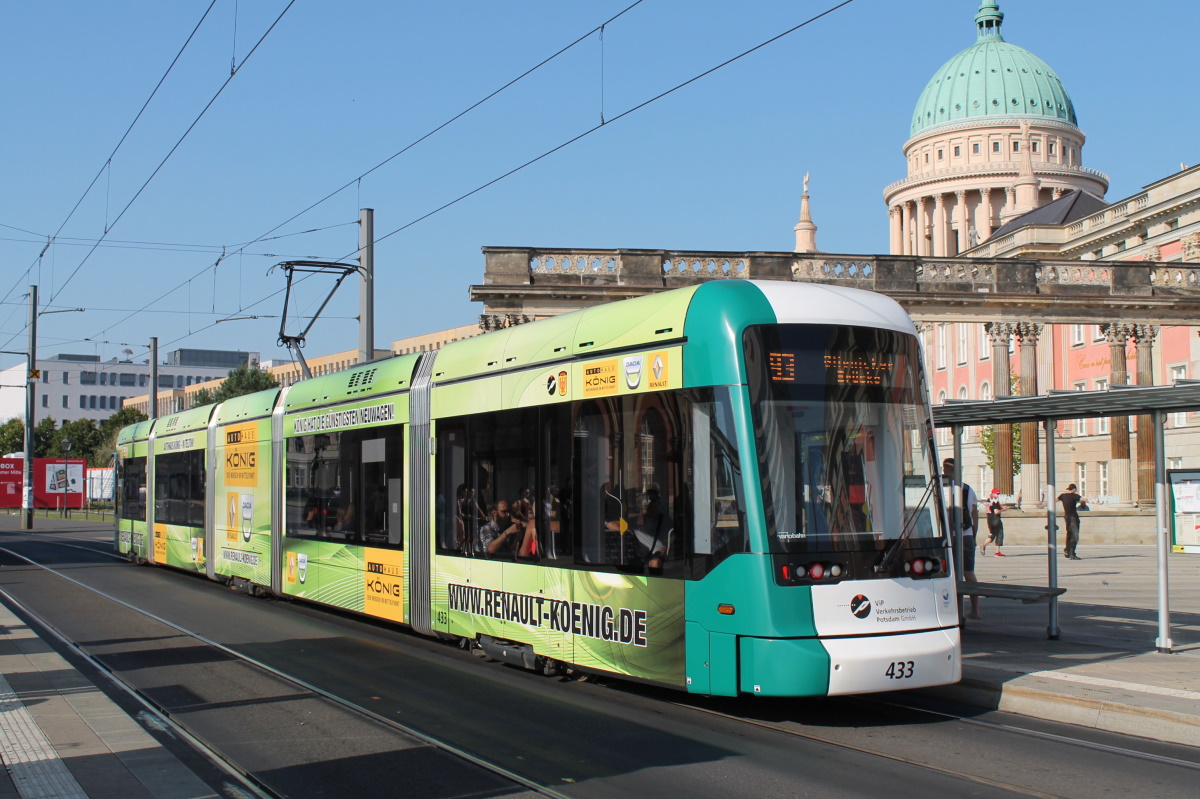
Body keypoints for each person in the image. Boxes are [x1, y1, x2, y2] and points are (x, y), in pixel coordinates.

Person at [942, 458, 981, 619]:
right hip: (966, 534)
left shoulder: (942, 488)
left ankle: (954, 610)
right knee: (969, 573)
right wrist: (973, 534)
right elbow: (974, 513)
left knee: (950, 573)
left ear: (945, 470)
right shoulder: (968, 489)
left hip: (948, 535)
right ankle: (975, 610)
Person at [632, 486, 668, 570]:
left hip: (658, 553)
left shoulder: (665, 521)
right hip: (643, 555)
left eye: (653, 501)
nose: (649, 505)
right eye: (647, 501)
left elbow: (669, 541)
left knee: (655, 564)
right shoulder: (636, 521)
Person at [1058, 483, 1085, 560]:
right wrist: (1097, 502)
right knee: (1075, 536)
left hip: (1067, 517)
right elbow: (1085, 500)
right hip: (1073, 517)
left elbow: (1054, 501)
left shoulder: (1063, 496)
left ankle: (1067, 550)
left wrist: (1043, 505)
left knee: (1069, 534)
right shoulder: (1075, 496)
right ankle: (1072, 553)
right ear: (1075, 490)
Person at [981, 488, 1005, 557]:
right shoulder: (995, 501)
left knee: (992, 534)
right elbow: (996, 511)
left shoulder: (988, 500)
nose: (998, 495)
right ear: (993, 493)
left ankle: (984, 545)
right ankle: (997, 552)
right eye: (997, 493)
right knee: (999, 534)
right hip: (996, 520)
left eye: (998, 494)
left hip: (989, 520)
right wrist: (1003, 510)